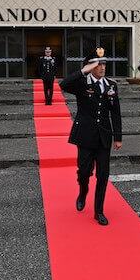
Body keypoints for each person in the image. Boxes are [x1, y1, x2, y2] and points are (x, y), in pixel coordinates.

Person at [59, 47, 122, 226]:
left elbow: (115, 113)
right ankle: (83, 190)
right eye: (98, 64)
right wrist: (82, 71)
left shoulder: (111, 85)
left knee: (103, 175)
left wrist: (118, 137)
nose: (102, 67)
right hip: (85, 135)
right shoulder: (82, 83)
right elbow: (63, 85)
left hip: (104, 136)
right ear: (90, 66)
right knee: (84, 171)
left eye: (104, 64)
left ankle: (99, 211)